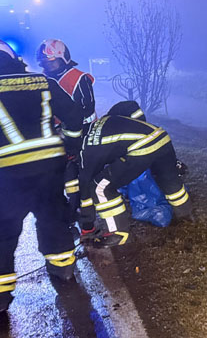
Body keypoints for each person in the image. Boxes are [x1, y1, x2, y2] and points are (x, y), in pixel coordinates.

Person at [0, 40, 84, 312]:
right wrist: (70, 144)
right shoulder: (42, 81)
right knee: (53, 219)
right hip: (50, 166)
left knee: (3, 232)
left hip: (7, 174)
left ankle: (1, 297)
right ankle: (64, 271)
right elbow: (74, 116)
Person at [78, 101, 191, 247]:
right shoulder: (106, 120)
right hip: (161, 136)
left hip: (141, 149)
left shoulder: (87, 149)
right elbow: (130, 106)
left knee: (99, 187)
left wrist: (87, 226)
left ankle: (118, 233)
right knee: (169, 181)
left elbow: (85, 187)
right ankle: (186, 216)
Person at [36, 38, 97, 217]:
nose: (48, 66)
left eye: (52, 62)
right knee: (63, 173)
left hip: (83, 132)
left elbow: (88, 109)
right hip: (57, 134)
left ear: (63, 59)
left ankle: (82, 207)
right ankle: (72, 206)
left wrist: (75, 134)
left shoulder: (79, 78)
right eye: (45, 63)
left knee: (79, 171)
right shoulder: (44, 79)